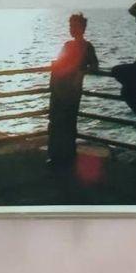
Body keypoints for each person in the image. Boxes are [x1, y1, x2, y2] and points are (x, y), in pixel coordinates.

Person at [46, 13, 99, 170]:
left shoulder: (87, 47)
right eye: (71, 26)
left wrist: (81, 72)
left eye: (75, 26)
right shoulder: (67, 45)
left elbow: (95, 66)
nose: (72, 29)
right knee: (55, 123)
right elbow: (58, 64)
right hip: (59, 89)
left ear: (83, 28)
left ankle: (67, 156)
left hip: (72, 91)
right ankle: (55, 156)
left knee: (68, 123)